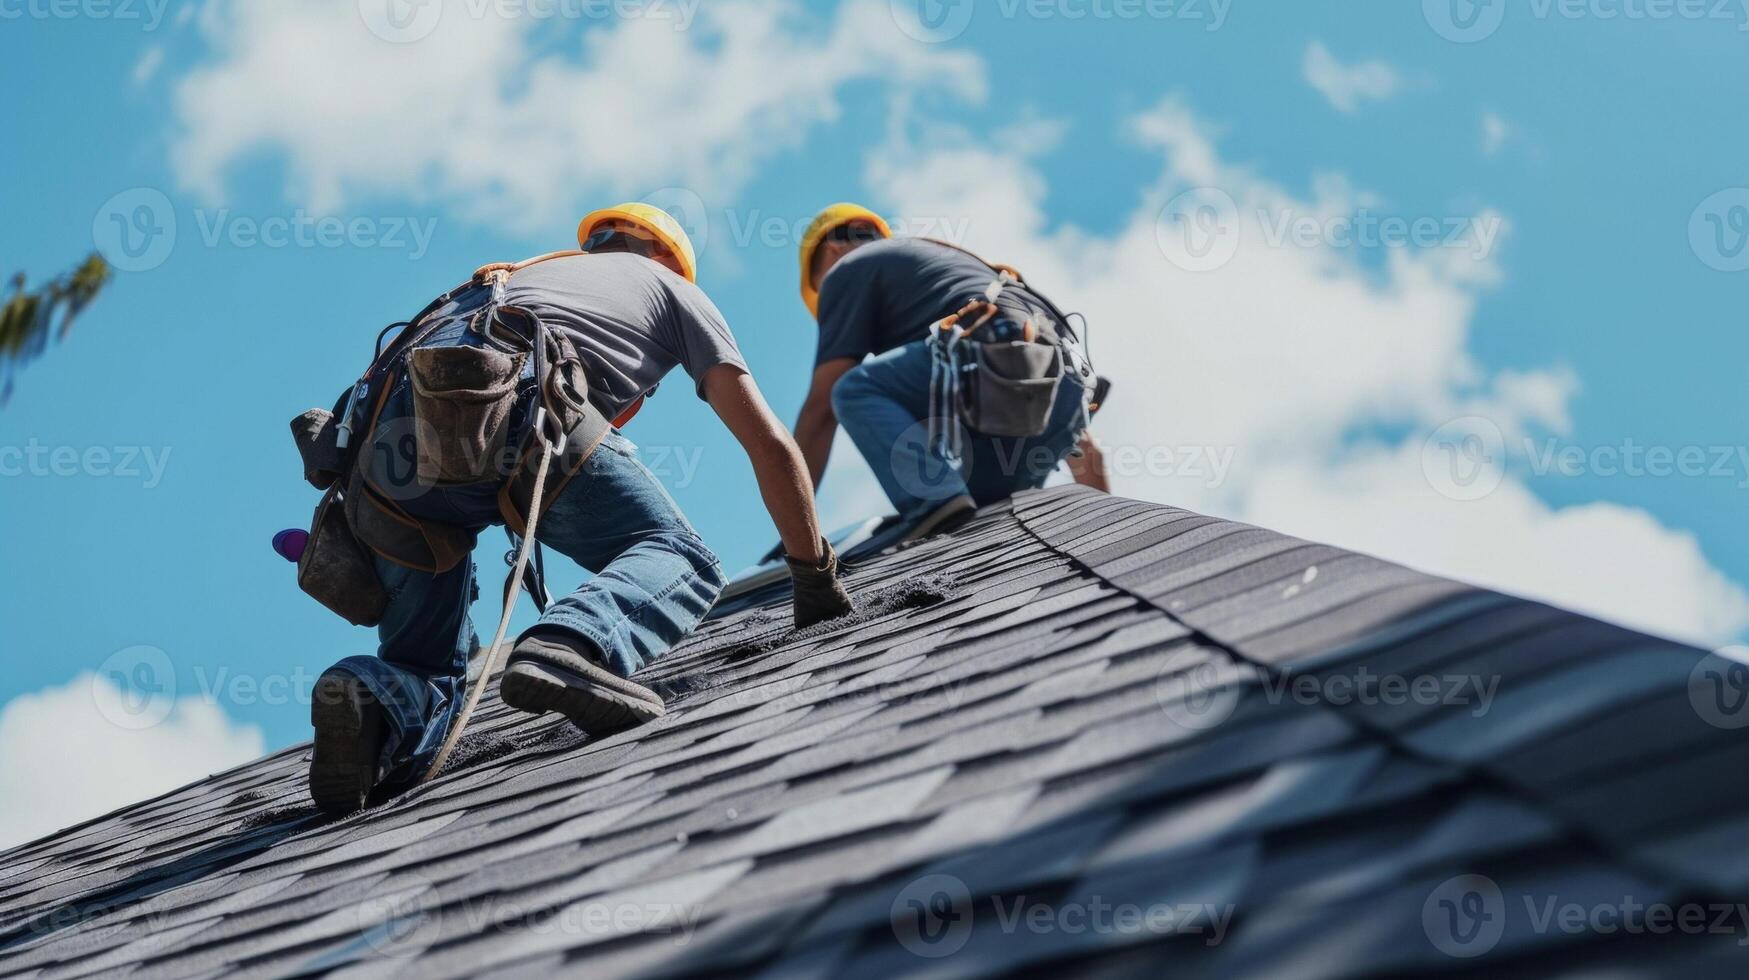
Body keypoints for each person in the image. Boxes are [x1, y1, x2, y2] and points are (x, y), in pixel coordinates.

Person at [299, 203, 853, 815]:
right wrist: (814, 575)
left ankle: (372, 696)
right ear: (665, 255)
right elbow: (768, 443)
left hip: (380, 459)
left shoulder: (506, 279)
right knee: (682, 559)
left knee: (421, 664)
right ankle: (570, 644)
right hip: (519, 407)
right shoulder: (673, 289)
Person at [791, 204, 1109, 537]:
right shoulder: (947, 273)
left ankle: (933, 502)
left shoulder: (848, 267)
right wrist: (1107, 534)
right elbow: (1087, 450)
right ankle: (956, 516)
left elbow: (821, 410)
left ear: (833, 249)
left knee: (853, 389)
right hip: (1062, 396)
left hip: (991, 370)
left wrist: (795, 532)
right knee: (982, 520)